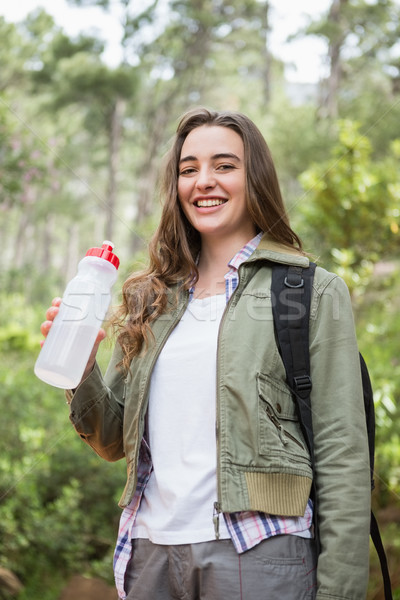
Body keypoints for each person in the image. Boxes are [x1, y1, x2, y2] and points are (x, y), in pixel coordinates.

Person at [41, 107, 371, 600]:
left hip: (260, 552)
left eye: (224, 165)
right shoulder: (149, 299)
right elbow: (112, 439)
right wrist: (80, 367)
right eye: (188, 169)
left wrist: (341, 589)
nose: (203, 182)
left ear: (254, 176)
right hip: (150, 551)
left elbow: (343, 453)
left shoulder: (311, 292)